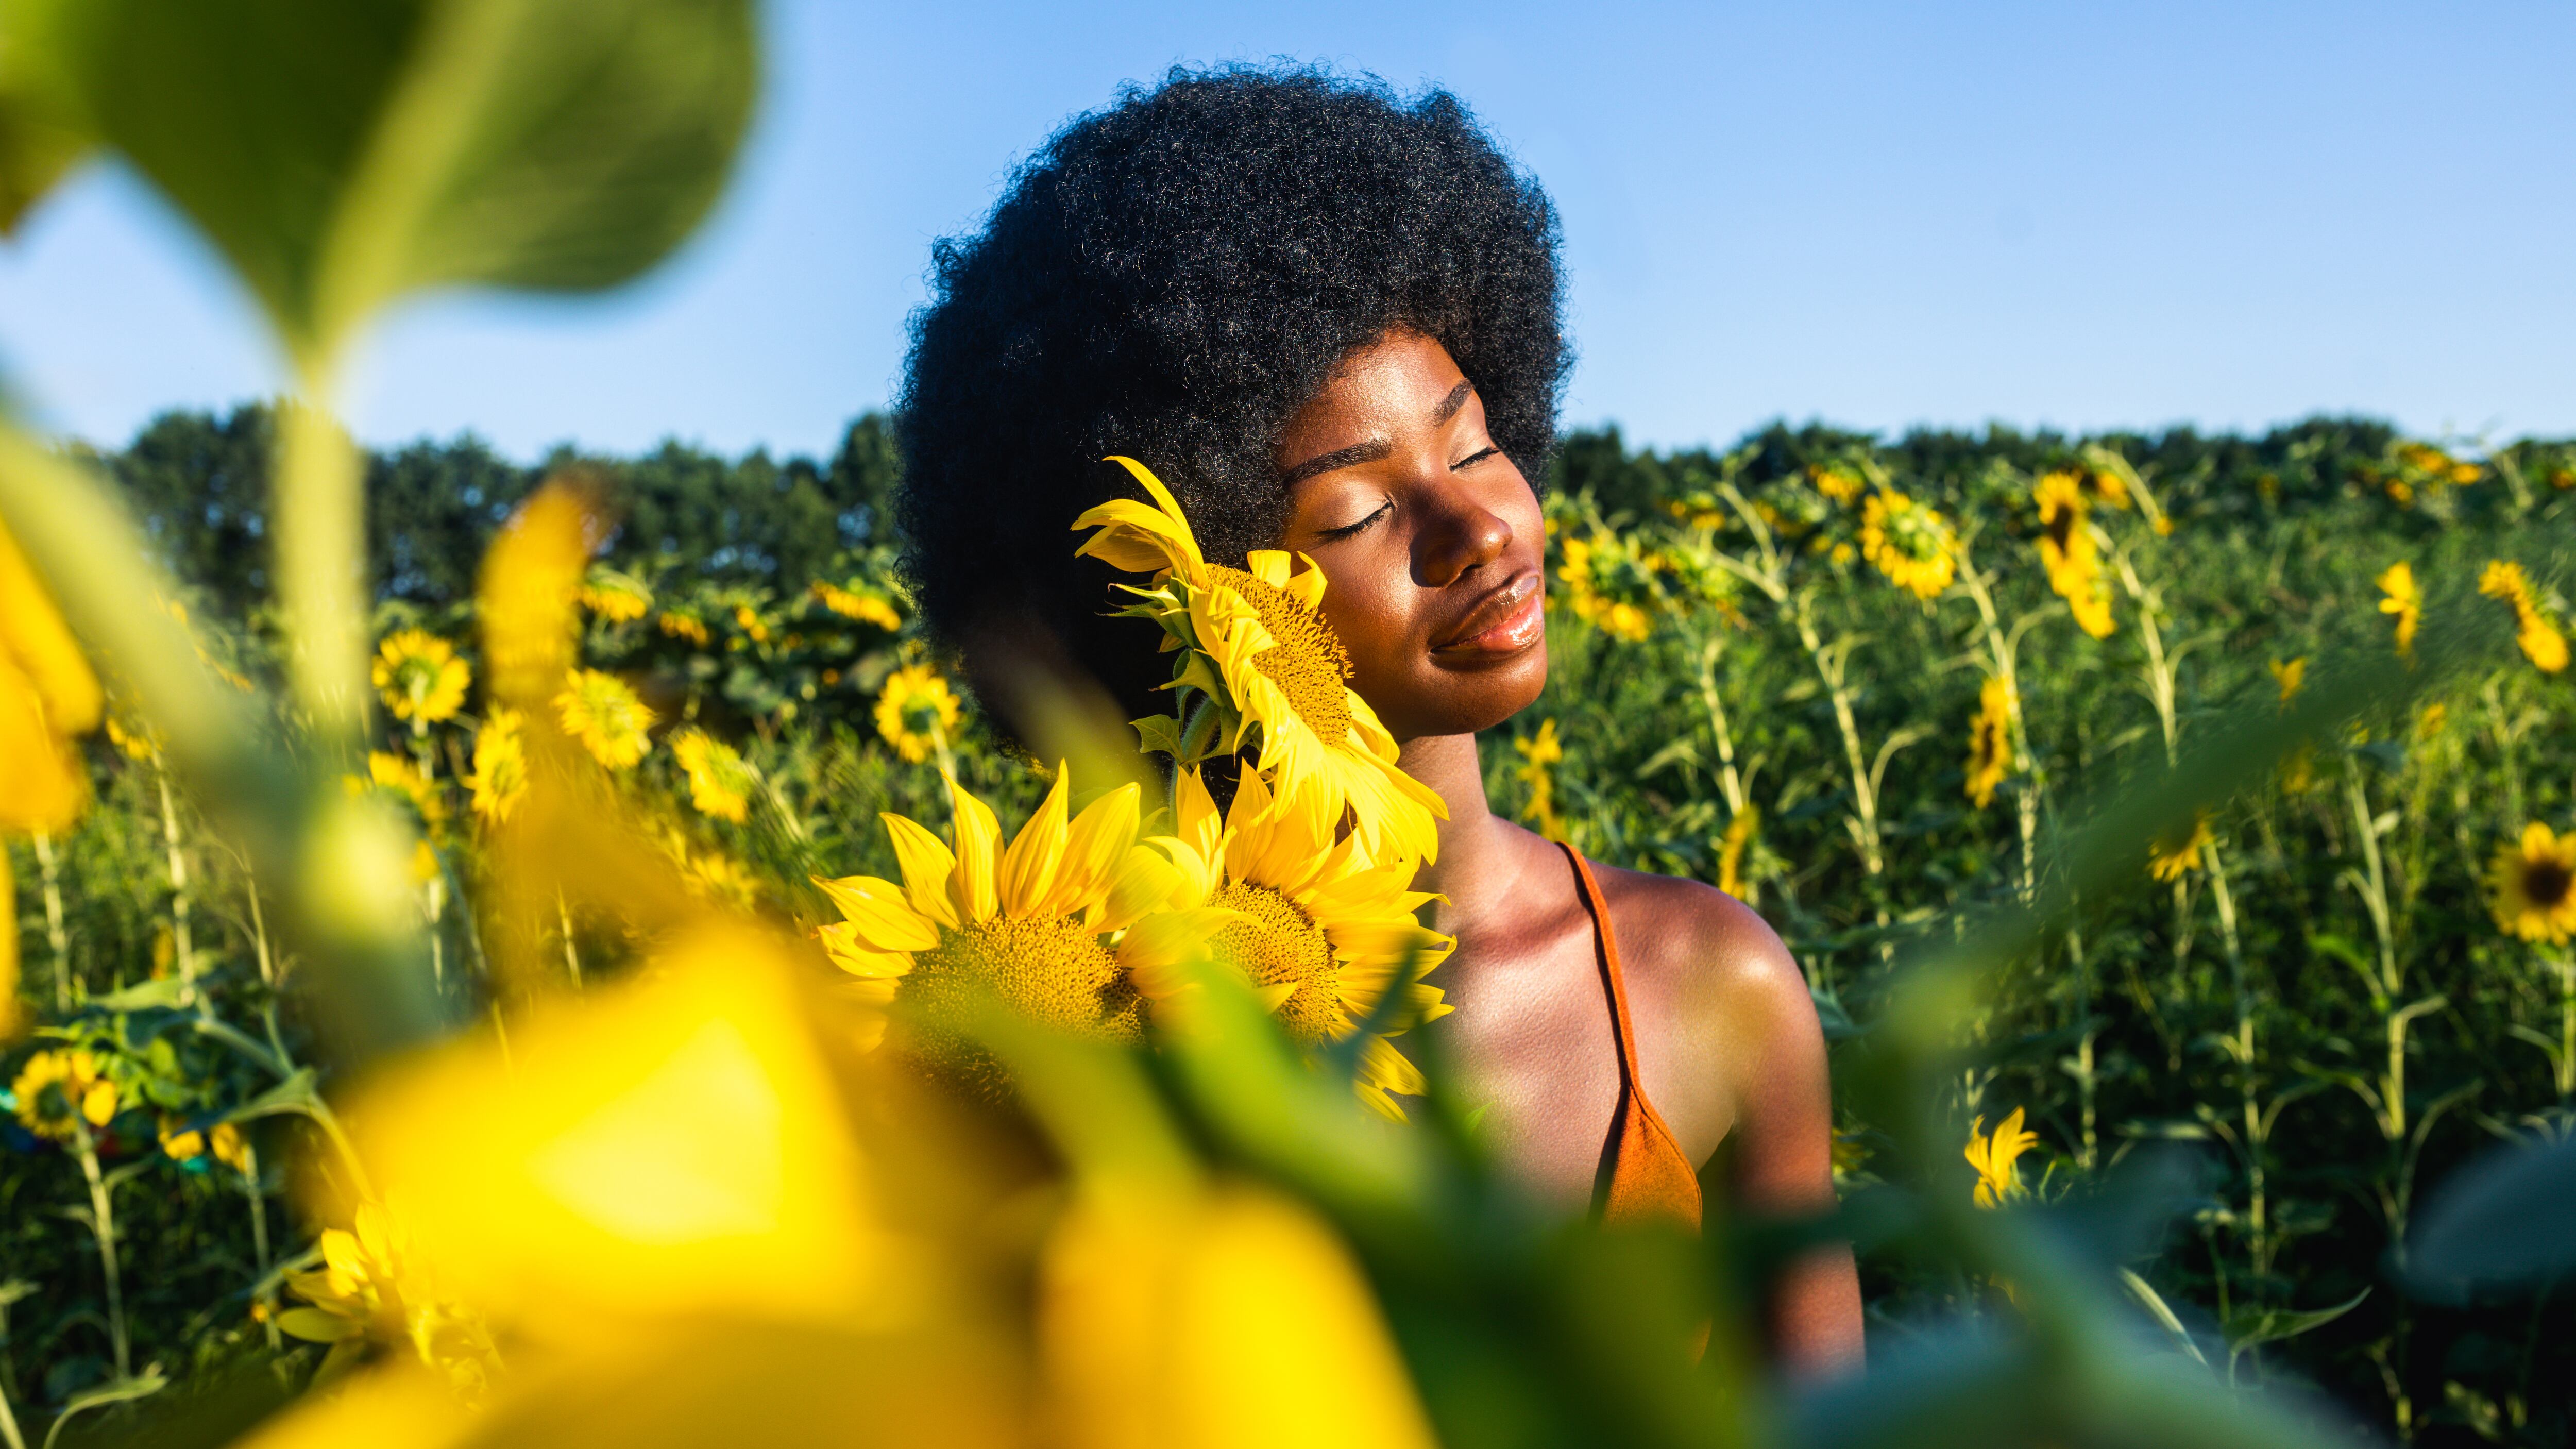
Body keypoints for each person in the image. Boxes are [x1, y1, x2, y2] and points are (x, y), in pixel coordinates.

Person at [896, 62, 1863, 1373]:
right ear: (1202, 596)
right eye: (1356, 512)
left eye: (1473, 445)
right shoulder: (1090, 1041)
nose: (1477, 527)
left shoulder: (1709, 980)